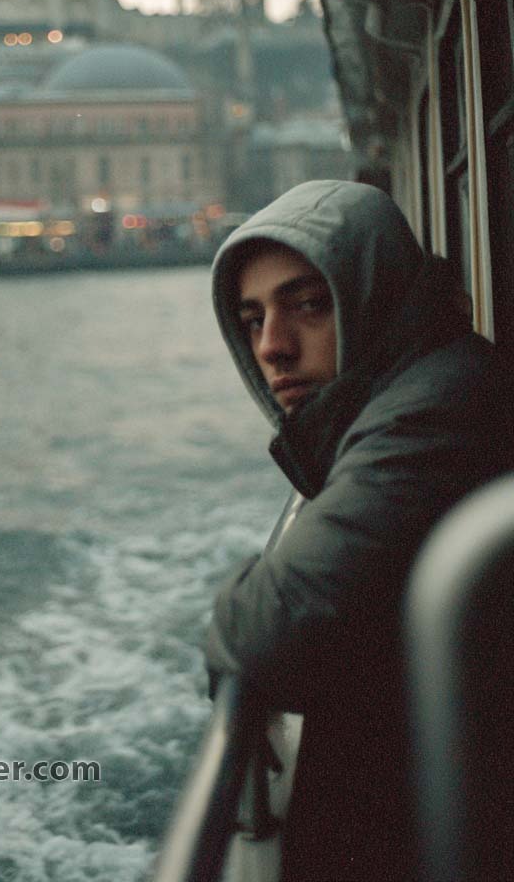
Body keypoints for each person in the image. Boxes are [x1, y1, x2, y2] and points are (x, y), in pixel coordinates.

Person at [205, 179, 514, 882]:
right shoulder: (427, 388)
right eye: (251, 320)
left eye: (308, 305)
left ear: (373, 295)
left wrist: (232, 601)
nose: (273, 348)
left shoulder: (433, 411)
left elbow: (274, 627)